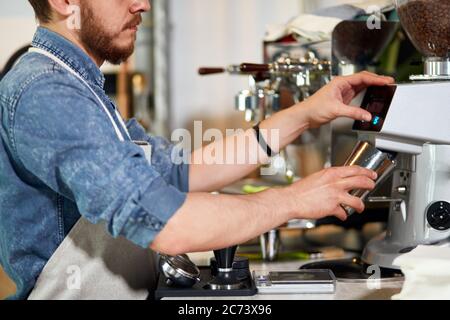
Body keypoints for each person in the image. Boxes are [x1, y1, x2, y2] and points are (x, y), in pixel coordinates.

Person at [0, 0, 394, 299]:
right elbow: (166, 223)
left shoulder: (79, 87)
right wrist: (293, 200)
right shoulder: (46, 92)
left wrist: (304, 115)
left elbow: (181, 170)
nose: (144, 5)